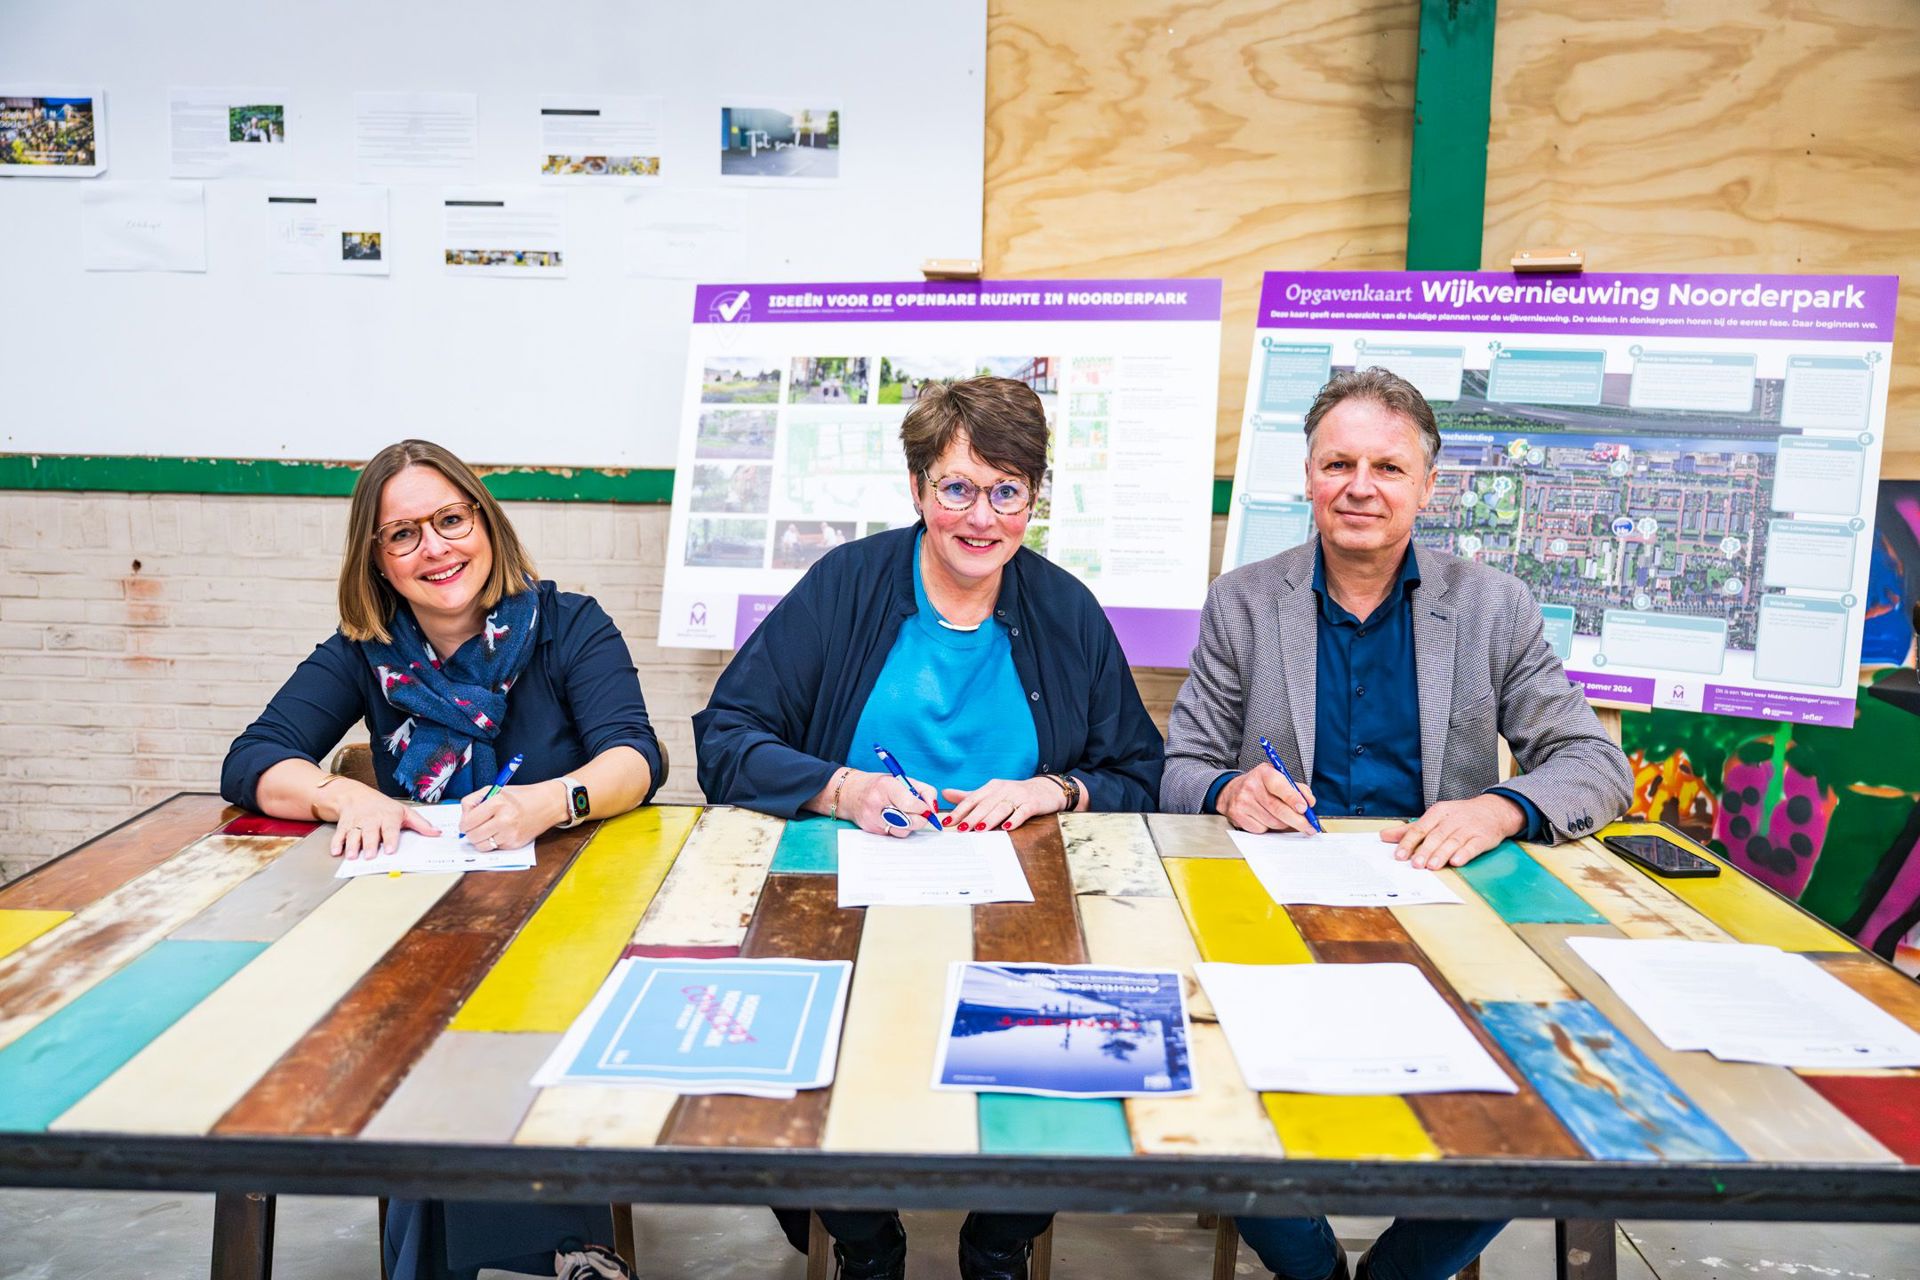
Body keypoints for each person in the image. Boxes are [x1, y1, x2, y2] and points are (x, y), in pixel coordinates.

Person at [1161, 368, 1633, 1280]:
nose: (1360, 487)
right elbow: (1177, 767)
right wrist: (1228, 792)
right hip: (1271, 912)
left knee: (1548, 1098)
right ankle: (1312, 1266)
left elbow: (1595, 765)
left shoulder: (1494, 606)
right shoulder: (1245, 601)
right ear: (1307, 476)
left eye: (1388, 466)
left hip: (1443, 911)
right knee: (1208, 1083)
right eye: (1339, 463)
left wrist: (1502, 805)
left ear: (1429, 484)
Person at [694, 375, 1164, 1280]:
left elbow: (1141, 770)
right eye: (956, 487)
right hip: (848, 906)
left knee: (1086, 1042)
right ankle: (865, 1246)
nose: (980, 516)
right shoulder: (847, 587)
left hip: (1020, 916)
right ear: (918, 491)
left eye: (1006, 491)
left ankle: (1001, 1240)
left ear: (1033, 498)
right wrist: (842, 789)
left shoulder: (1064, 609)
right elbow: (725, 738)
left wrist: (1055, 789)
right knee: (802, 1060)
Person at [221, 438, 664, 1280]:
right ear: (379, 562)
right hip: (421, 924)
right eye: (404, 535)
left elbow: (636, 758)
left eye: (451, 520)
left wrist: (554, 798)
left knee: (467, 1040)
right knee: (431, 1025)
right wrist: (340, 794)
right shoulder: (366, 651)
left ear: (485, 524)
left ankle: (508, 1259)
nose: (436, 548)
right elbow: (255, 758)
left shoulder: (569, 626)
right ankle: (557, 1258)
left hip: (568, 925)